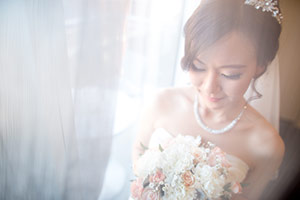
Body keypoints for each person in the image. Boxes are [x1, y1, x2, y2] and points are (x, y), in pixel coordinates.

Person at [131, 0, 285, 199]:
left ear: (260, 67)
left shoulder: (266, 145)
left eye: (230, 74)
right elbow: (138, 159)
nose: (209, 87)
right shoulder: (160, 103)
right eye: (198, 66)